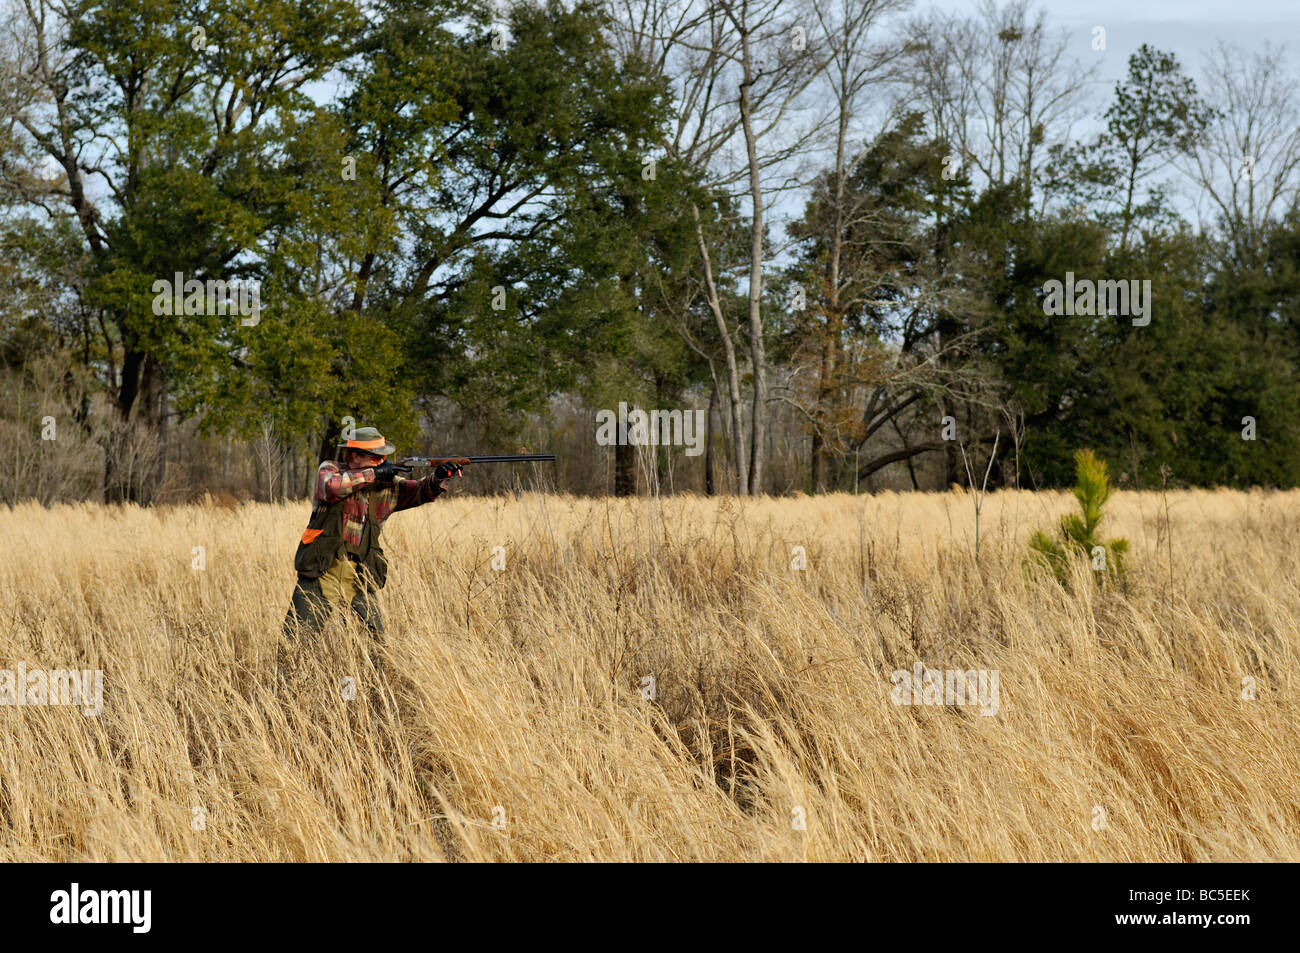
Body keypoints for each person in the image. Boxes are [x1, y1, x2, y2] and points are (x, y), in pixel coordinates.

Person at [281, 426, 461, 654]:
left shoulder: (388, 486)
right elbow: (332, 488)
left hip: (361, 575)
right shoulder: (331, 470)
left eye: (383, 457)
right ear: (354, 455)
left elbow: (421, 491)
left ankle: (369, 689)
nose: (382, 461)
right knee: (295, 643)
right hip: (322, 571)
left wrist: (438, 477)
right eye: (376, 457)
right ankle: (288, 688)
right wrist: (374, 474)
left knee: (375, 649)